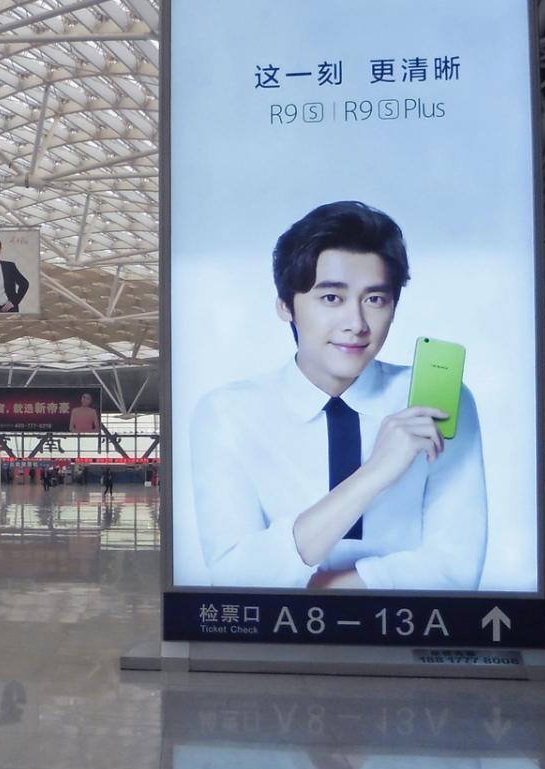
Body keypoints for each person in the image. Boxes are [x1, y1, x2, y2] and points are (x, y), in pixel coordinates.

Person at [190, 201, 487, 591]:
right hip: (274, 645)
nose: (357, 324)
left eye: (375, 299)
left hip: (405, 636)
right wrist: (374, 474)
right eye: (332, 298)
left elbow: (456, 570)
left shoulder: (437, 402)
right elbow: (234, 576)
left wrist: (314, 589)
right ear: (285, 306)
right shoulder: (228, 413)